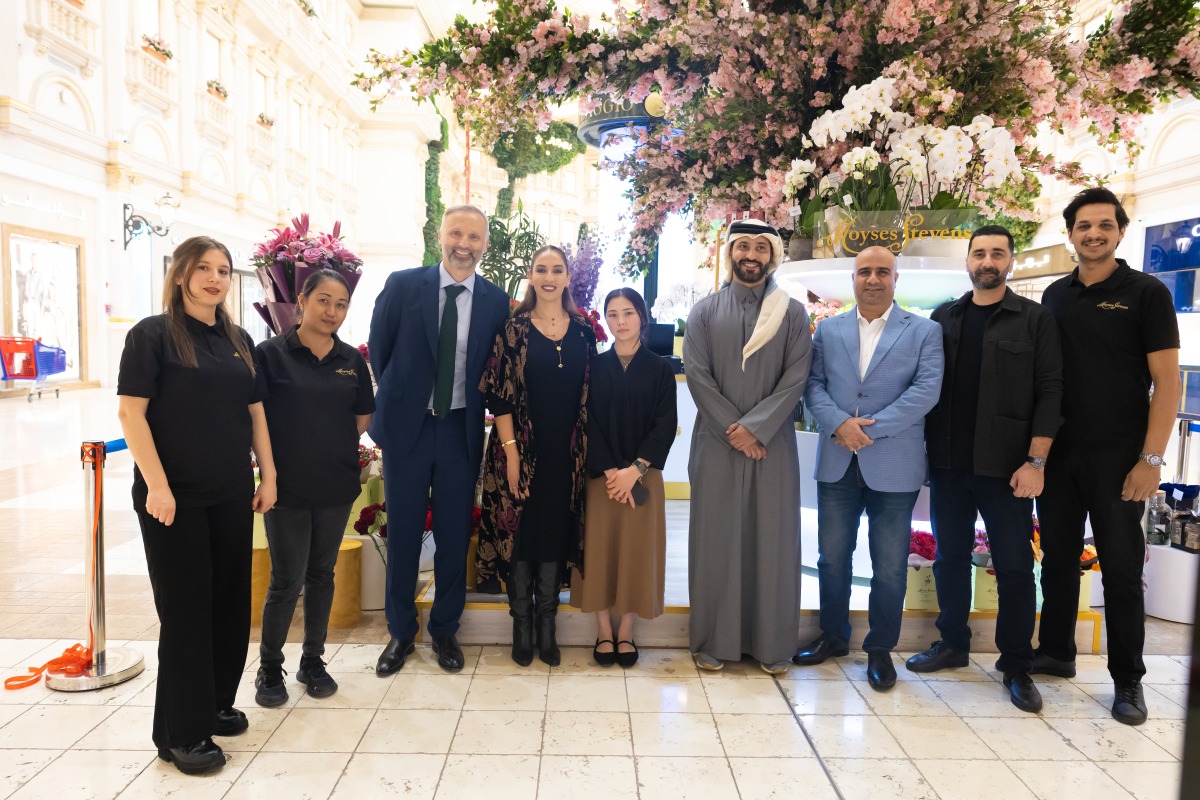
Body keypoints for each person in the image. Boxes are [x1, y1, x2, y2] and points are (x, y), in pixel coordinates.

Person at [117, 237, 276, 775]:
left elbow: (255, 413)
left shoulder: (237, 339)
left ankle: (212, 704)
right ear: (182, 274)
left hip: (230, 490)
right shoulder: (153, 335)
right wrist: (156, 486)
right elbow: (131, 416)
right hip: (173, 498)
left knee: (229, 603)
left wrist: (268, 473)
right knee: (186, 612)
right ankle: (181, 734)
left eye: (224, 270)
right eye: (204, 268)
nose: (215, 278)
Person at [1033, 187, 1181, 725]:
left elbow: (1168, 381)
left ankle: (1128, 680)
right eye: (1083, 226)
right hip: (1059, 454)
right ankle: (1055, 651)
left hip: (1121, 458)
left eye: (1104, 225)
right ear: (1069, 234)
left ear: (1119, 231)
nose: (1093, 233)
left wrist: (1152, 459)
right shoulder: (1055, 295)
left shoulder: (1146, 293)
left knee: (1120, 570)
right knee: (1056, 559)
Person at [906, 225, 1062, 713]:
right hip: (949, 463)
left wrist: (1036, 461)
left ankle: (1016, 662)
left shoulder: (1035, 319)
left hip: (1007, 468)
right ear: (967, 262)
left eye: (998, 253)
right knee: (950, 558)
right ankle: (952, 643)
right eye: (979, 253)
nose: (988, 260)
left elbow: (1052, 392)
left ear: (1010, 262)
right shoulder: (943, 317)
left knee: (1014, 567)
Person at [369, 205, 511, 675]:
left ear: (485, 244)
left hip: (459, 429)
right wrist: (403, 402)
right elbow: (381, 350)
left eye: (474, 237)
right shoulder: (404, 286)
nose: (463, 244)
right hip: (407, 428)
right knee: (405, 534)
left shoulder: (495, 300)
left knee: (453, 535)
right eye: (456, 233)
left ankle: (445, 631)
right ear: (440, 236)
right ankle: (400, 633)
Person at [795, 245, 943, 692]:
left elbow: (926, 392)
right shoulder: (829, 329)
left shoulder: (924, 331)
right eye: (864, 272)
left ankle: (880, 649)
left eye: (883, 272)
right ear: (853, 279)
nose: (873, 279)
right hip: (838, 459)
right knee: (832, 558)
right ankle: (834, 638)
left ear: (896, 279)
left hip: (894, 463)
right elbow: (813, 386)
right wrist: (840, 423)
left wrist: (869, 431)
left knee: (891, 566)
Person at [683, 218, 813, 675]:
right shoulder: (703, 311)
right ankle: (712, 642)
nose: (752, 255)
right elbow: (697, 376)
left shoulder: (793, 313)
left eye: (762, 247)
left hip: (772, 445)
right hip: (717, 446)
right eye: (743, 246)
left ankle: (772, 644)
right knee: (715, 541)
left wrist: (755, 429)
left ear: (773, 255)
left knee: (772, 541)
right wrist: (735, 430)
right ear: (731, 253)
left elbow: (796, 378)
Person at [252, 269, 375, 706]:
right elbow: (255, 417)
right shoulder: (269, 354)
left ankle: (313, 661)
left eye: (341, 304)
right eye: (324, 300)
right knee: (286, 580)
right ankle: (269, 669)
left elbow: (363, 417)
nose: (332, 311)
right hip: (285, 487)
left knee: (322, 574)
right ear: (302, 300)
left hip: (335, 484)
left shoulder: (350, 359)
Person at [477, 245, 596, 667]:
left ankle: (548, 624)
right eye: (541, 269)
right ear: (531, 276)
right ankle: (521, 625)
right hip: (519, 451)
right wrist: (511, 456)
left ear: (567, 278)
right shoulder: (514, 329)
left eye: (557, 270)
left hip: (567, 455)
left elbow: (591, 396)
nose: (549, 276)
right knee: (521, 536)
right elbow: (500, 399)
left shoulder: (584, 331)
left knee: (552, 533)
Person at [571, 288, 678, 668]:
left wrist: (635, 469)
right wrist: (612, 471)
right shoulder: (593, 368)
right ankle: (603, 629)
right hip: (602, 478)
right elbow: (585, 422)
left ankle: (627, 630)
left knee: (637, 551)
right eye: (613, 314)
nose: (620, 321)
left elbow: (665, 426)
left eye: (628, 313)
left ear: (642, 317)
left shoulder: (661, 369)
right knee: (598, 549)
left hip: (643, 477)